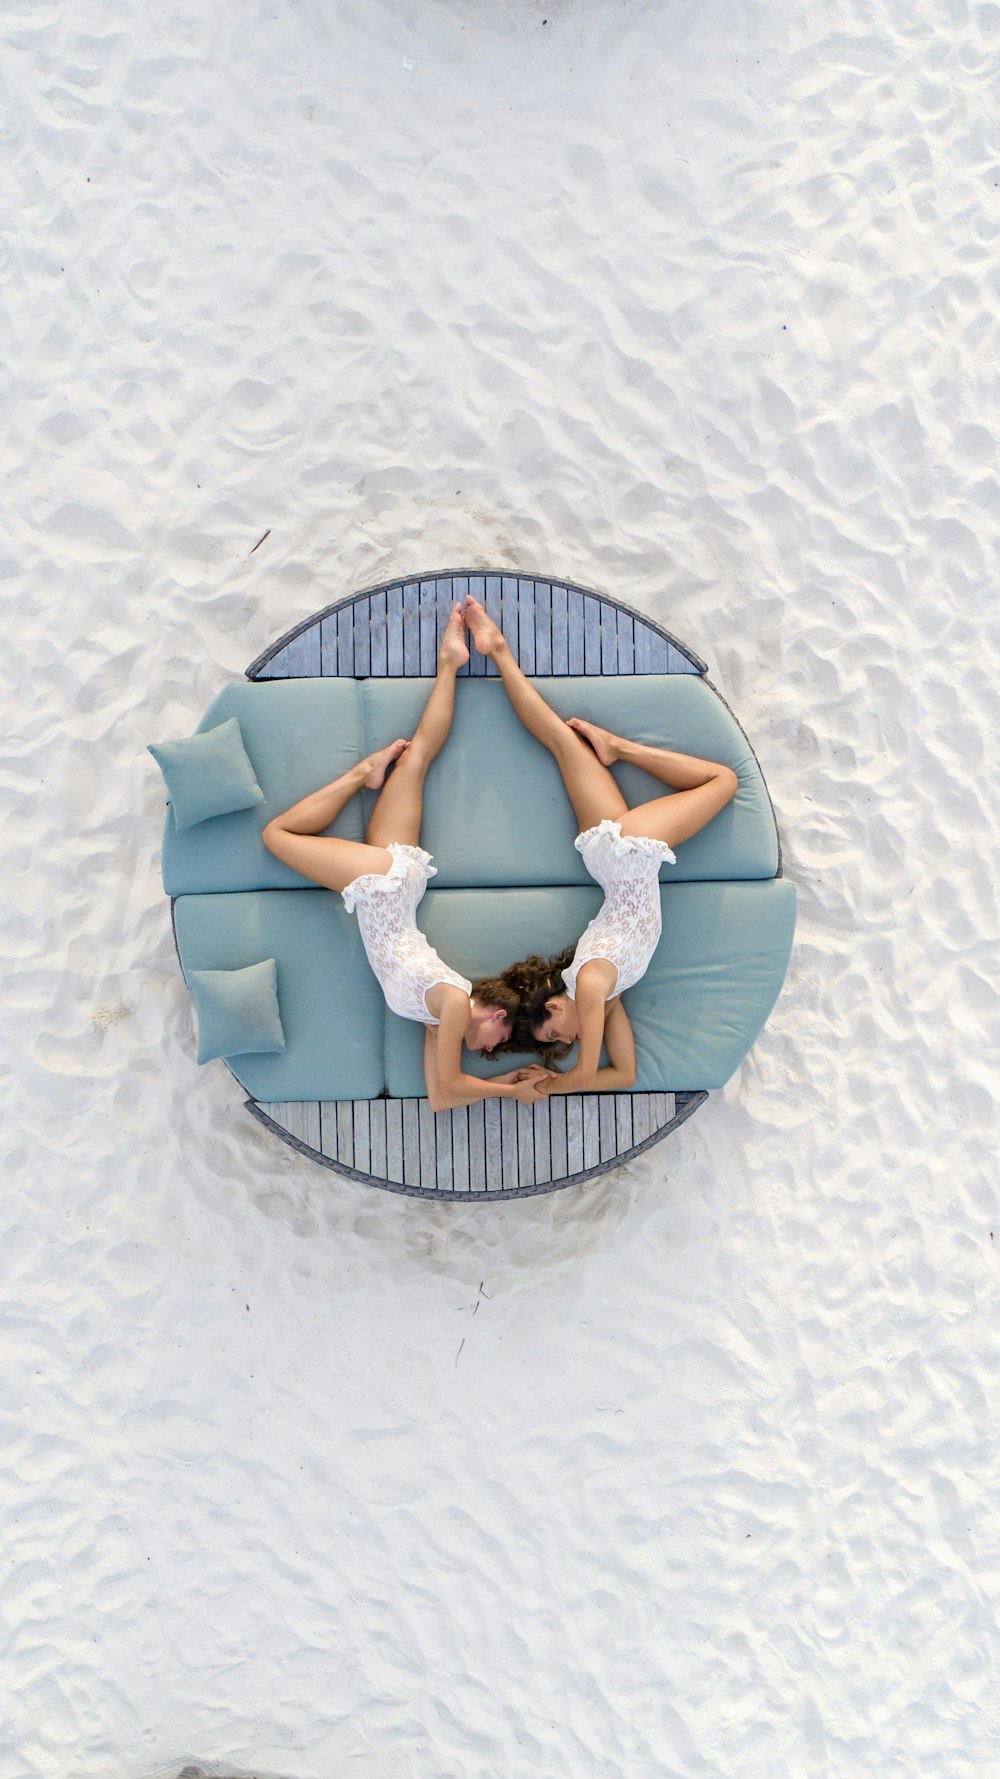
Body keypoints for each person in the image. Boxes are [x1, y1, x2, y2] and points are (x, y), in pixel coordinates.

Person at [262, 605, 549, 1112]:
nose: (488, 1053)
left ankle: (449, 661)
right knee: (277, 834)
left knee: (416, 758)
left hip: (396, 884)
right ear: (496, 1018)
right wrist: (509, 1087)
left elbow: (441, 1096)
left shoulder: (442, 1013)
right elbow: (456, 1086)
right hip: (381, 886)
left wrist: (507, 1087)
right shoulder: (455, 1004)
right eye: (496, 1045)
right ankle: (362, 774)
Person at [462, 593, 739, 1095]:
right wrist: (560, 1074)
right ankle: (497, 649)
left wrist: (550, 1083)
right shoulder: (606, 994)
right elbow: (624, 1074)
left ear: (553, 1006)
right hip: (611, 858)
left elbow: (589, 1073)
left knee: (722, 781)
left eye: (558, 1033)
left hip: (631, 853)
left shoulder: (589, 985)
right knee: (559, 740)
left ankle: (622, 747)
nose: (572, 1038)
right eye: (563, 1043)